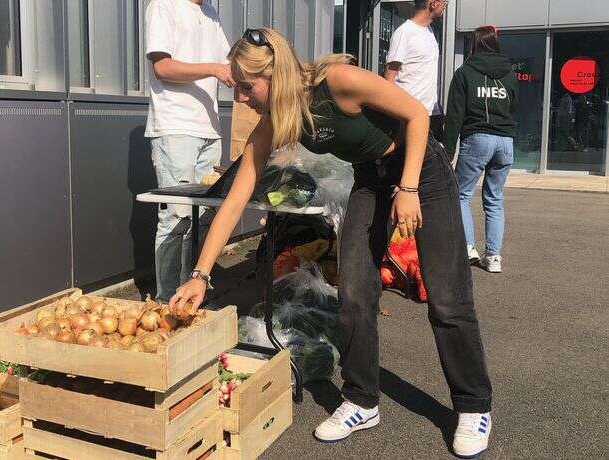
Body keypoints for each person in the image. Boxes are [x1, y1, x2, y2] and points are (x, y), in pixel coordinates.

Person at [170, 28, 493, 458]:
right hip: (370, 181)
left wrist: (410, 187)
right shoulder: (275, 122)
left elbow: (417, 114)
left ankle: (473, 405)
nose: (242, 98)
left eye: (247, 87)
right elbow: (234, 202)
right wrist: (199, 275)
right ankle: (362, 399)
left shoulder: (339, 81)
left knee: (447, 298)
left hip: (422, 173)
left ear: (274, 75)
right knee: (355, 294)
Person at [144, 0, 235, 301]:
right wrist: (214, 69)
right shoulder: (163, 6)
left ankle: (191, 293)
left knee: (205, 217)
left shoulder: (210, 13)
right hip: (175, 128)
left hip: (210, 128)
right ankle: (166, 299)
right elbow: (162, 67)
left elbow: (230, 62)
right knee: (176, 216)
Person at [444, 25, 518, 273]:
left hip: (477, 138)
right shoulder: (509, 74)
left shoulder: (465, 72)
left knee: (462, 194)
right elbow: (514, 105)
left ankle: (467, 247)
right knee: (495, 199)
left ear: (474, 44)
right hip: (505, 141)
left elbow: (455, 115)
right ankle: (494, 257)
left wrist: (449, 149)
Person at [385, 0, 447, 142]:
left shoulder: (430, 32)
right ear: (433, 3)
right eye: (444, 2)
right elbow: (389, 77)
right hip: (407, 116)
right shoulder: (404, 32)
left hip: (429, 113)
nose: (445, 5)